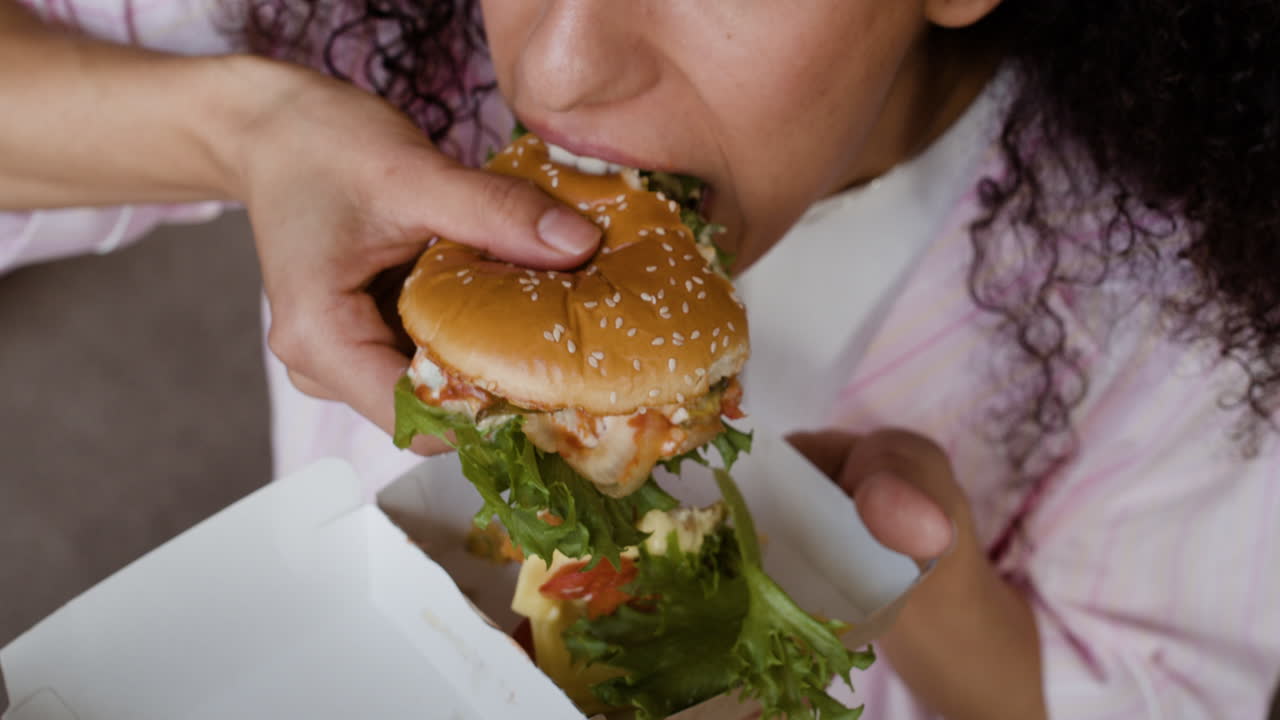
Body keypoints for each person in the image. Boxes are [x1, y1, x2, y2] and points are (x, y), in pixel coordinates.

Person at [2, 0, 1277, 717]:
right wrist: (243, 125)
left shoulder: (1185, 311)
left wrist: (925, 585)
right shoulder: (370, 27)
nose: (557, 66)